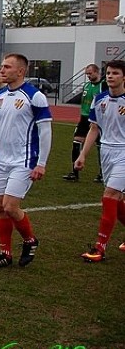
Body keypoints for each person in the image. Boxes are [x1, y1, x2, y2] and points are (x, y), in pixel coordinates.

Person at [0, 53, 52, 269]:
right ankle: (5, 253)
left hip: (24, 160)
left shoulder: (35, 96)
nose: (3, 70)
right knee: (0, 207)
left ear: (21, 71)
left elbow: (45, 132)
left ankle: (30, 240)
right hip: (1, 160)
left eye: (7, 67)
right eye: (3, 66)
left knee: (10, 206)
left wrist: (41, 163)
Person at [75, 60, 125, 262]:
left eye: (115, 73)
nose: (110, 76)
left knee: (109, 196)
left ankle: (99, 248)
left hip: (123, 151)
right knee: (118, 199)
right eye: (108, 73)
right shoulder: (100, 99)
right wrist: (83, 155)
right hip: (106, 151)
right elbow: (94, 129)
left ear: (124, 77)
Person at [63, 63, 106, 183]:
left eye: (90, 73)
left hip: (98, 120)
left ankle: (102, 173)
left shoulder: (103, 85)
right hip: (84, 119)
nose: (88, 76)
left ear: (97, 72)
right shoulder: (86, 85)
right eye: (87, 73)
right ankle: (74, 172)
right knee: (76, 143)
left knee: (100, 147)